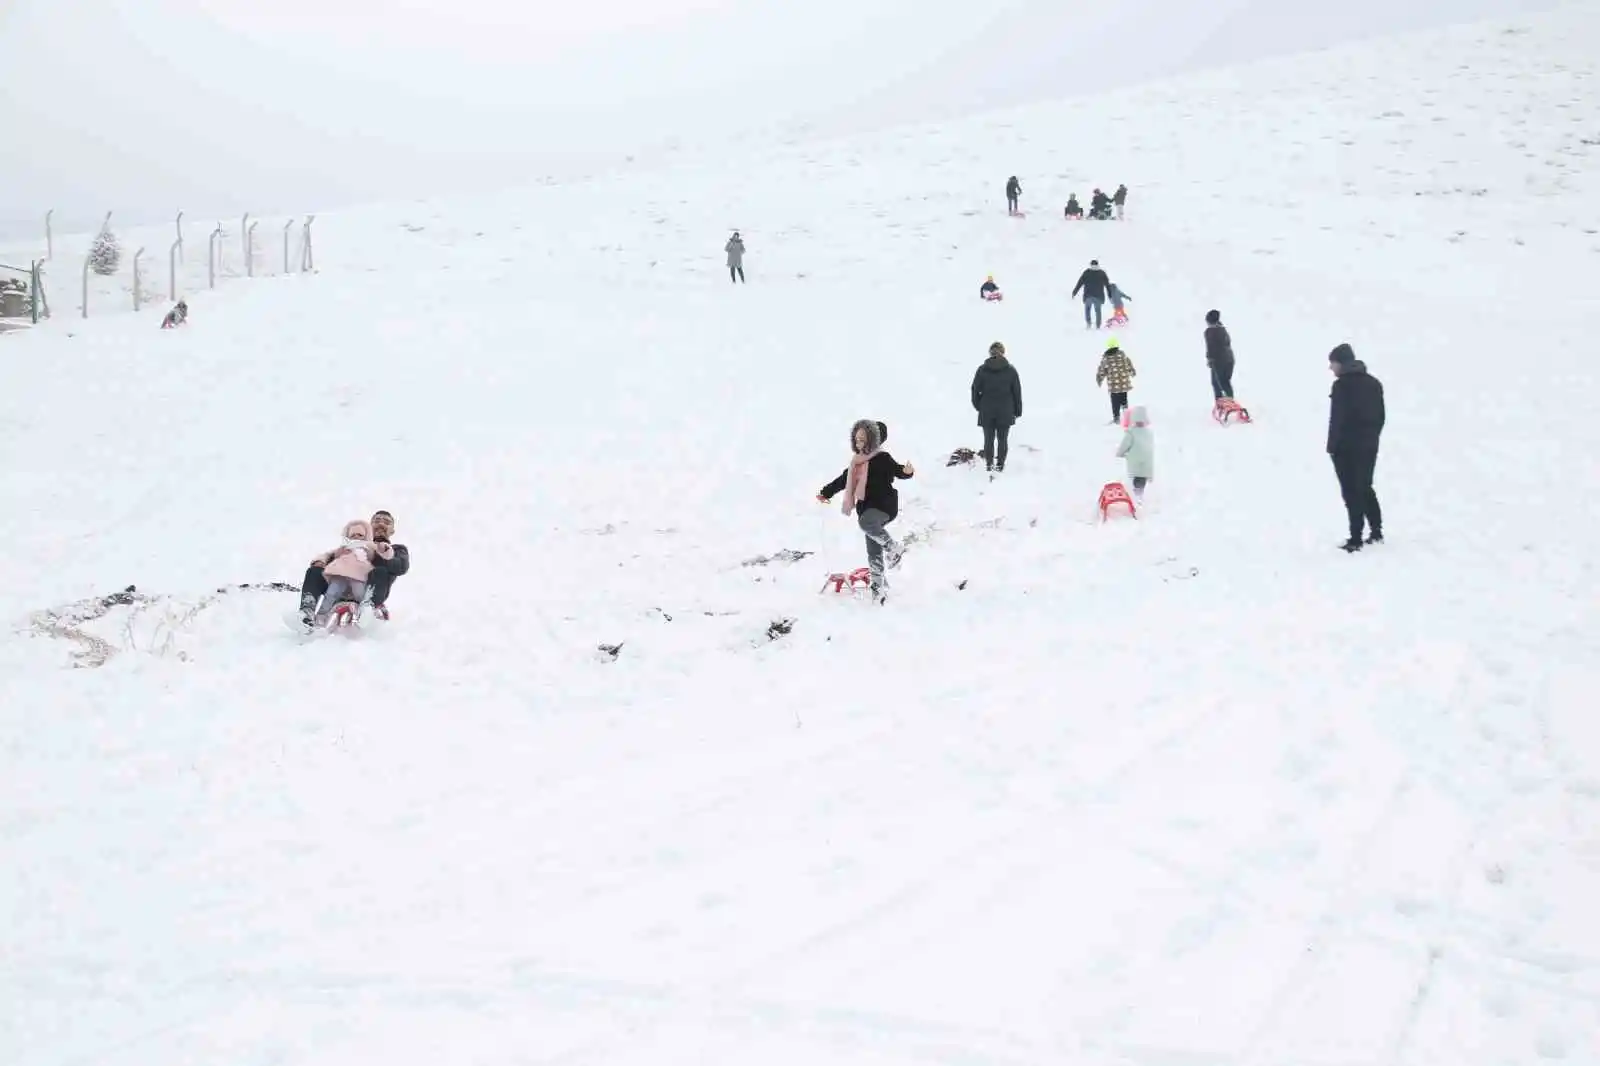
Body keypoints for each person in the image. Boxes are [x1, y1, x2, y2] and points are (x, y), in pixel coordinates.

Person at [817, 419, 915, 604]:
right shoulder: (857, 463)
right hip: (867, 509)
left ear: (872, 440)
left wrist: (907, 471)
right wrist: (825, 492)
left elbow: (898, 471)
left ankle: (894, 549)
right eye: (857, 439)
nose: (858, 443)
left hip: (884, 506)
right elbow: (842, 480)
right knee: (873, 550)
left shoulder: (882, 458)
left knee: (866, 523)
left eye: (863, 439)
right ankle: (879, 589)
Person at [297, 508, 410, 622]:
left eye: (386, 522)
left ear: (392, 531)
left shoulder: (396, 549)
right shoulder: (352, 545)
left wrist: (377, 553)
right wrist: (322, 562)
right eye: (377, 521)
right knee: (315, 571)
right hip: (340, 586)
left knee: (381, 571)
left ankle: (368, 608)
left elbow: (400, 567)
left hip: (367, 590)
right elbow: (333, 558)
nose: (381, 523)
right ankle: (307, 611)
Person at [1327, 344, 1385, 551]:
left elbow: (1337, 420)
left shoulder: (1341, 387)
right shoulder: (1374, 384)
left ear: (1341, 363)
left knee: (1351, 492)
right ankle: (1376, 531)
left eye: (1332, 363)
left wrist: (1332, 447)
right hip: (1369, 445)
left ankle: (1355, 538)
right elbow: (1381, 417)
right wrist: (1372, 438)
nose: (1331, 368)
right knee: (1365, 487)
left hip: (1346, 448)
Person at [970, 341, 1023, 473]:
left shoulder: (982, 370)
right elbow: (1017, 392)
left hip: (987, 410)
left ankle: (989, 464)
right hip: (1005, 411)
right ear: (1003, 352)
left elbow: (975, 390)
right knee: (1002, 439)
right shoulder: (1011, 370)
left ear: (990, 353)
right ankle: (1000, 465)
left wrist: (979, 406)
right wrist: (1017, 411)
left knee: (988, 439)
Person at [1115, 404, 1154, 500]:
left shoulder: (1131, 433)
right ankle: (1139, 500)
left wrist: (1119, 454)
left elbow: (1124, 446)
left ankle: (1137, 504)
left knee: (1135, 486)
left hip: (1135, 466)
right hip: (1146, 467)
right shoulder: (1149, 433)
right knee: (1140, 486)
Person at [1095, 336, 1137, 423]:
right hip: (1124, 383)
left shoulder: (1106, 359)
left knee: (1115, 402)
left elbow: (1102, 370)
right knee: (1124, 399)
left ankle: (1116, 418)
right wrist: (1132, 372)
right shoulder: (1123, 355)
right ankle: (1127, 416)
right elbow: (1129, 365)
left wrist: (1099, 379)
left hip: (1114, 385)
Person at [1204, 309, 1236, 400]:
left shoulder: (1210, 331)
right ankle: (1230, 402)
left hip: (1219, 361)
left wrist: (1209, 359)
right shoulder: (1223, 330)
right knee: (1225, 382)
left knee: (1216, 383)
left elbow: (1211, 347)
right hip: (1230, 359)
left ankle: (1221, 405)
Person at [1072, 259, 1111, 329]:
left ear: (1090, 265)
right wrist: (1109, 294)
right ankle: (1098, 326)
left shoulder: (1087, 272)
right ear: (1097, 265)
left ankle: (1088, 323)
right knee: (1098, 311)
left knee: (1087, 309)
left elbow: (1080, 283)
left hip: (1088, 295)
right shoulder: (1102, 273)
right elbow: (1107, 285)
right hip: (1098, 296)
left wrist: (1075, 292)